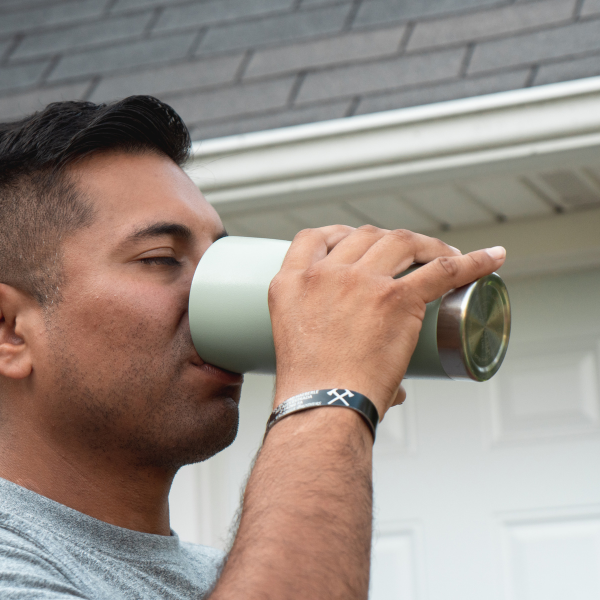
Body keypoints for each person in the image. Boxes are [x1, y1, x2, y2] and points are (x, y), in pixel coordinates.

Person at [0, 96, 506, 599]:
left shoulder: (227, 577)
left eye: (220, 256)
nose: (268, 296)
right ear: (10, 330)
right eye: (160, 258)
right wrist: (329, 392)